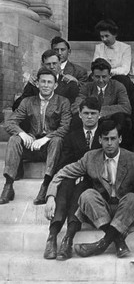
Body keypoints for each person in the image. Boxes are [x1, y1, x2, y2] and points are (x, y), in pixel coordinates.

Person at [46, 120, 134, 258]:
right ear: (100, 140)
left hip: (126, 210)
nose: (109, 143)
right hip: (102, 211)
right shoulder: (90, 158)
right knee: (87, 195)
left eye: (113, 139)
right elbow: (63, 173)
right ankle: (117, 239)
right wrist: (50, 196)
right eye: (106, 139)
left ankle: (101, 244)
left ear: (120, 139)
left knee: (133, 198)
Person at [42, 97, 102, 260]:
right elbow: (64, 164)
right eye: (86, 113)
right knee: (66, 186)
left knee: (80, 190)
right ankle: (52, 237)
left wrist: (84, 175)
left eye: (93, 113)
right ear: (80, 115)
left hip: (95, 181)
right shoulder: (72, 136)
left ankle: (68, 238)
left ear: (99, 115)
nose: (89, 117)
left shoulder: (105, 135)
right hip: (73, 175)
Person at [0, 68, 71, 205]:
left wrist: (46, 138)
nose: (45, 85)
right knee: (14, 139)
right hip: (31, 145)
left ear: (55, 85)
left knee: (57, 140)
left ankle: (45, 185)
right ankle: (8, 185)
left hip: (50, 148)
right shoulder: (27, 101)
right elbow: (10, 122)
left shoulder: (63, 102)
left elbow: (65, 127)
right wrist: (22, 133)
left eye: (49, 82)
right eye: (42, 81)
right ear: (37, 84)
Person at [74, 59, 132, 143]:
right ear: (92, 76)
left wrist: (100, 111)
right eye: (97, 77)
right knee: (76, 118)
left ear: (110, 75)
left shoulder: (118, 86)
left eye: (104, 77)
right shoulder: (86, 87)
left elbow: (126, 107)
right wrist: (92, 113)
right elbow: (76, 106)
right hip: (91, 121)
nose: (101, 80)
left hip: (111, 121)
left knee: (121, 117)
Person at [13, 49, 79, 111]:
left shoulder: (69, 84)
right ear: (43, 65)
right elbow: (17, 106)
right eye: (48, 64)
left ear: (60, 63)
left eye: (54, 63)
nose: (52, 67)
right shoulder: (34, 83)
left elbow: (73, 109)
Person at [93, 19, 134, 95]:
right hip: (102, 76)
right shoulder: (99, 47)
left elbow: (125, 69)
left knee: (124, 81)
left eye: (107, 36)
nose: (104, 39)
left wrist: (109, 72)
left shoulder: (125, 48)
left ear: (115, 34)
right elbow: (95, 65)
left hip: (118, 78)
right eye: (102, 36)